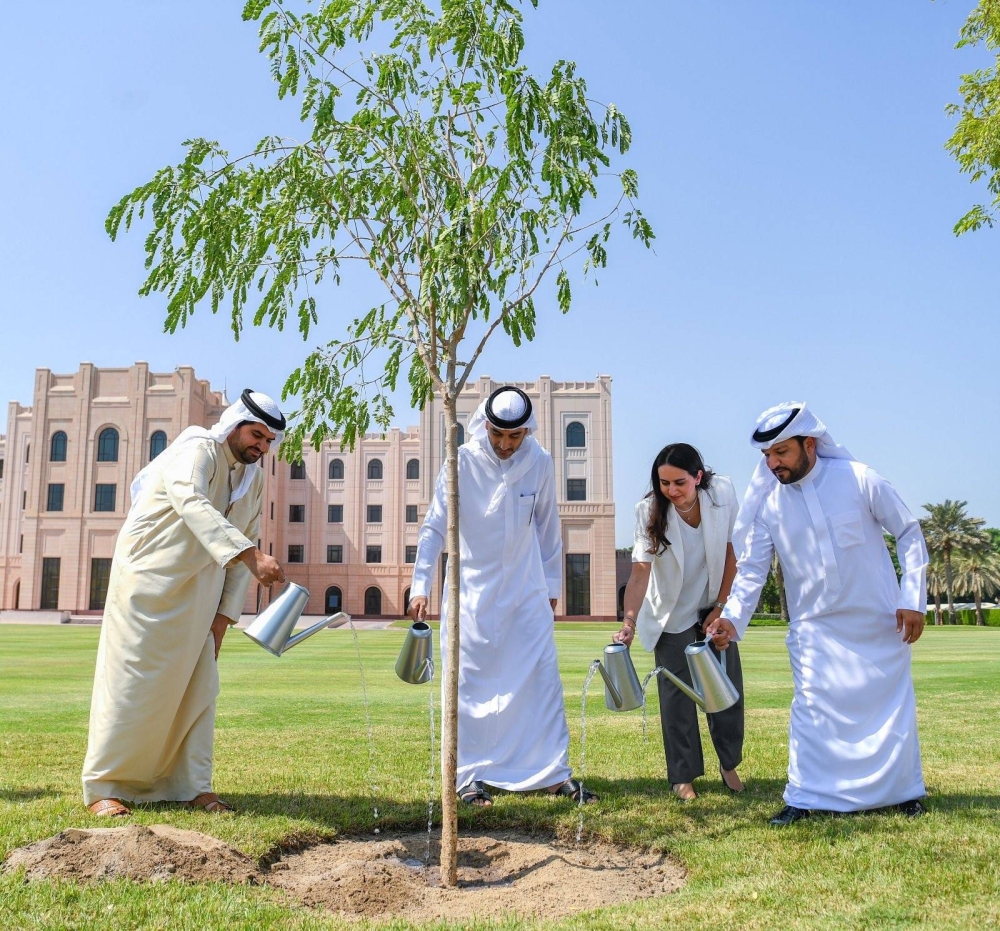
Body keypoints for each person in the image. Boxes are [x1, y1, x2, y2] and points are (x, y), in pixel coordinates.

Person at [706, 402, 928, 826]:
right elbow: (752, 569)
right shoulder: (768, 504)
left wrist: (912, 597)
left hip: (878, 622)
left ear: (810, 444)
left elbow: (908, 532)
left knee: (890, 709)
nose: (773, 464)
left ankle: (903, 793)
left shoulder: (860, 479)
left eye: (781, 453)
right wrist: (732, 618)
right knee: (810, 710)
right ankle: (805, 797)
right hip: (813, 627)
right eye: (766, 456)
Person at [81, 389, 287, 817]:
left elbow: (244, 535)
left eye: (269, 441)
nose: (262, 447)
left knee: (200, 686)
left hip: (201, 591)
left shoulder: (255, 478)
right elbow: (190, 501)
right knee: (131, 683)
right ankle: (105, 787)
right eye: (256, 435)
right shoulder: (198, 447)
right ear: (234, 425)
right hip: (148, 582)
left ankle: (193, 785)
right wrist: (251, 556)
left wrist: (223, 618)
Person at [407, 385, 596, 807]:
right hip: (471, 591)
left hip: (526, 590)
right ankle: (469, 777)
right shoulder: (462, 461)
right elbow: (435, 526)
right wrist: (421, 584)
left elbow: (548, 528)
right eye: (498, 435)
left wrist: (551, 588)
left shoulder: (540, 461)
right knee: (469, 684)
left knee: (541, 678)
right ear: (486, 427)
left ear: (527, 431)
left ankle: (550, 774)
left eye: (514, 437)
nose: (505, 445)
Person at [614, 444, 745, 801]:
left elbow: (734, 552)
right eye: (663, 483)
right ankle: (682, 776)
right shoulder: (648, 511)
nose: (671, 490)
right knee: (677, 699)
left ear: (698, 477)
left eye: (679, 482)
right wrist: (629, 621)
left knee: (726, 690)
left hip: (714, 605)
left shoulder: (723, 494)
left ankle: (729, 763)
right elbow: (640, 573)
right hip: (670, 614)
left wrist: (722, 606)